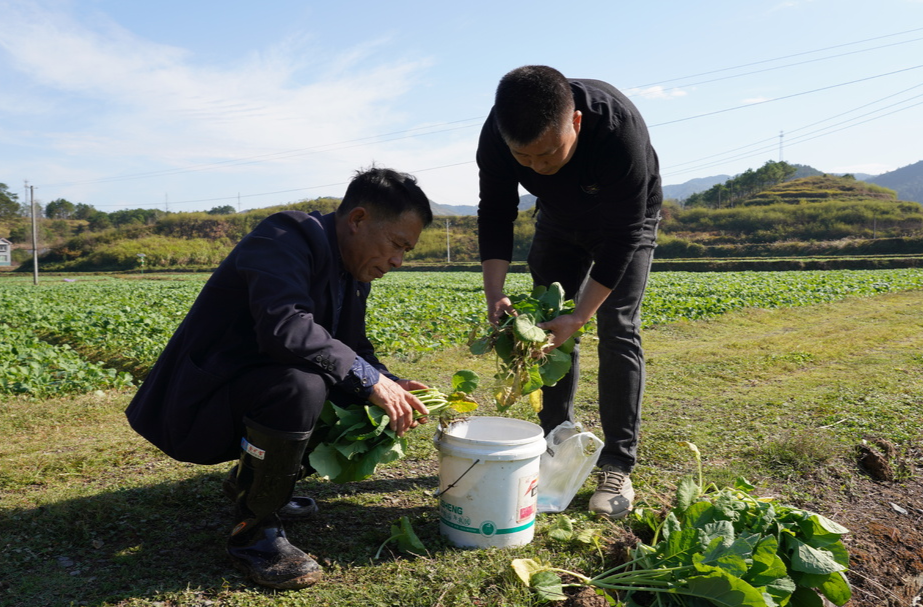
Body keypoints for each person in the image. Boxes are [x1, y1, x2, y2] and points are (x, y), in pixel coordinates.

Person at [125, 167, 434, 590]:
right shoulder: (286, 235)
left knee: (347, 382)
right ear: (358, 220)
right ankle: (253, 532)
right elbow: (284, 327)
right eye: (397, 245)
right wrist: (368, 380)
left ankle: (256, 487)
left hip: (251, 392)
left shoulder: (351, 272)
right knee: (306, 385)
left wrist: (389, 382)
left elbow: (353, 349)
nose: (398, 261)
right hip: (201, 404)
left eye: (406, 252)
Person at [476, 65, 663, 520]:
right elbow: (496, 213)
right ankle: (554, 443)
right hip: (559, 219)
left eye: (548, 153)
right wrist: (494, 294)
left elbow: (622, 239)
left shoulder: (618, 131)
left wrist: (580, 315)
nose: (539, 166)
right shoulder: (498, 134)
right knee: (548, 331)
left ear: (575, 122)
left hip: (625, 222)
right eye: (526, 159)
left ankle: (618, 465)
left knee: (615, 324)